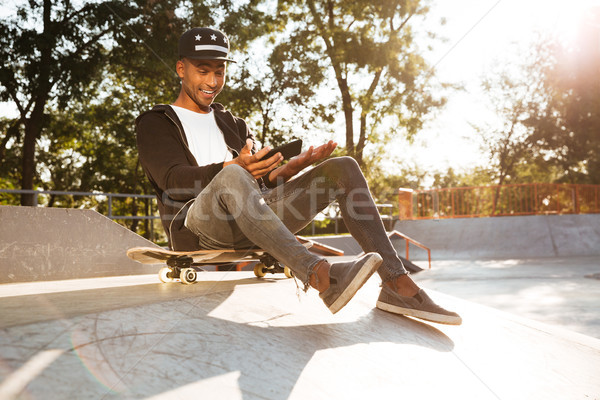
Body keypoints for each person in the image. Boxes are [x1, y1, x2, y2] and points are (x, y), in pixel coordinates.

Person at [135, 27, 461, 324]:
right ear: (181, 69)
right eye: (202, 71)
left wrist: (289, 170)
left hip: (252, 218)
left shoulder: (232, 124)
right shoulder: (156, 122)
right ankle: (320, 276)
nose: (211, 82)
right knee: (232, 176)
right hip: (199, 224)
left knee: (342, 168)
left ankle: (397, 284)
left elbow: (257, 187)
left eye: (219, 72)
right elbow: (173, 181)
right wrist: (231, 170)